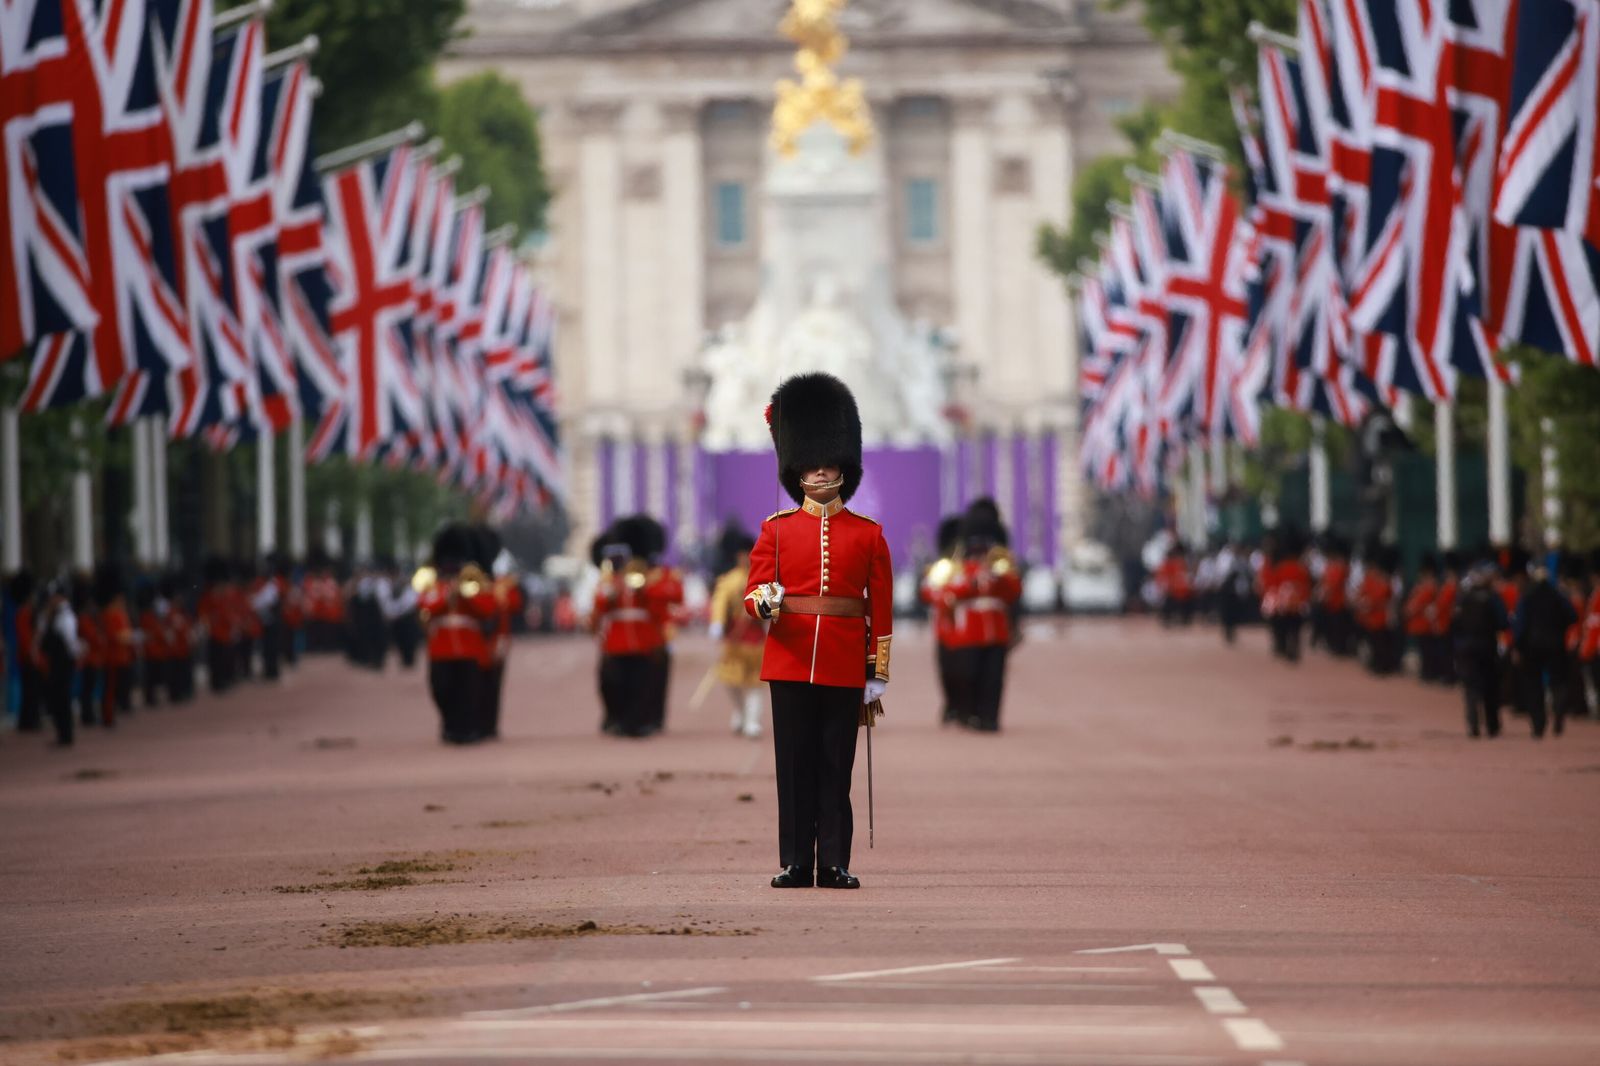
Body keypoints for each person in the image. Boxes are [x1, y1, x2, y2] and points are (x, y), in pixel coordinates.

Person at [745, 372, 892, 891]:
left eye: (830, 465)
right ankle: (794, 863)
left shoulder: (869, 535)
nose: (822, 472)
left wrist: (878, 670)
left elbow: (883, 608)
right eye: (812, 465)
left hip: (844, 662)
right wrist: (765, 601)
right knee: (793, 769)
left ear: (843, 471)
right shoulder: (776, 530)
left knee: (836, 768)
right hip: (788, 659)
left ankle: (833, 862)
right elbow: (755, 589)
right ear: (798, 472)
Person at [943, 498, 1022, 732]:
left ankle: (990, 717)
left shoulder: (1000, 566)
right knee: (969, 675)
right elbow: (948, 592)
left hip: (996, 631)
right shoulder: (959, 568)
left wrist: (1000, 579)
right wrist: (973, 584)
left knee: (994, 677)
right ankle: (971, 712)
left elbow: (1014, 592)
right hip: (970, 630)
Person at [592, 517, 671, 738]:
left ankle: (638, 721)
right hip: (617, 640)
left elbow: (659, 606)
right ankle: (620, 719)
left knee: (642, 684)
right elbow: (600, 606)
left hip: (643, 639)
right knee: (616, 684)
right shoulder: (611, 579)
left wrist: (645, 588)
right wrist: (611, 592)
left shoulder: (651, 576)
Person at [418, 524, 495, 744]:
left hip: (469, 647)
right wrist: (447, 598)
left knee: (468, 692)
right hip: (441, 648)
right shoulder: (434, 586)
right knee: (441, 689)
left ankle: (465, 728)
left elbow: (487, 609)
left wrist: (466, 596)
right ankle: (449, 724)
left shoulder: (473, 582)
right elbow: (425, 608)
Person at [709, 525, 767, 738]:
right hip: (735, 638)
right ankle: (740, 711)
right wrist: (717, 623)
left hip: (755, 638)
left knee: (754, 683)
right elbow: (719, 603)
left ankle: (752, 721)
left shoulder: (762, 577)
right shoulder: (729, 580)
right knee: (731, 681)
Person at [1514, 558, 1578, 739]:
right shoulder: (1557, 594)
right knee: (1558, 681)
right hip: (1555, 643)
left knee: (1534, 685)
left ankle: (1538, 724)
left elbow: (1520, 624)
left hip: (1532, 645)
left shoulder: (1527, 595)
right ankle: (1558, 711)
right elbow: (1572, 616)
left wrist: (1518, 646)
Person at [1453, 556, 1508, 738]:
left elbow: (1455, 623)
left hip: (1466, 647)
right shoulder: (1492, 598)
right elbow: (1503, 622)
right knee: (1490, 687)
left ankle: (1473, 723)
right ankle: (1492, 725)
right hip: (1486, 646)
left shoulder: (1463, 598)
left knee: (1470, 688)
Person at [920, 516, 966, 721]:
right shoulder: (943, 566)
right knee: (947, 668)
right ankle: (952, 704)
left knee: (965, 669)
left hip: (965, 625)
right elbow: (928, 591)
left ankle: (964, 704)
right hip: (945, 626)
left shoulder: (966, 566)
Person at [39, 579, 82, 747]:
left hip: (63, 662)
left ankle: (66, 734)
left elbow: (70, 641)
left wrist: (76, 655)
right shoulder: (53, 614)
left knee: (62, 698)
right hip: (57, 662)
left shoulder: (66, 615)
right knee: (57, 698)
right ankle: (63, 733)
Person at [1262, 535, 1312, 663]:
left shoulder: (1280, 568)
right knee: (1295, 629)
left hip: (1283, 604)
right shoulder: (1302, 568)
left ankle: (1282, 646)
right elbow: (1306, 587)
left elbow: (1274, 587)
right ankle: (1293, 649)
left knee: (1282, 627)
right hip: (1298, 604)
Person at [10, 572, 43, 732]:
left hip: (30, 654)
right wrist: (32, 651)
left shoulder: (27, 611)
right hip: (27, 655)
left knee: (32, 690)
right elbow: (25, 637)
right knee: (30, 690)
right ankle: (28, 720)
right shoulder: (23, 612)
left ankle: (30, 719)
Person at [1404, 553, 1441, 681]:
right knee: (1425, 649)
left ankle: (1429, 673)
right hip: (1421, 623)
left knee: (1428, 650)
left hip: (1426, 623)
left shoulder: (1430, 587)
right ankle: (1427, 672)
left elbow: (1418, 603)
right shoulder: (1423, 586)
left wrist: (1411, 608)